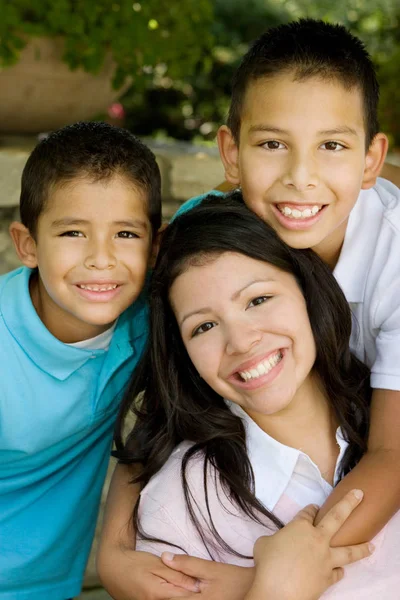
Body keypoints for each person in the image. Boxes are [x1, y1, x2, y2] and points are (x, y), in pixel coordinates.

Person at [98, 19, 400, 599]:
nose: (300, 178)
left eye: (332, 145)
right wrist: (114, 552)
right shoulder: (211, 234)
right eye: (272, 144)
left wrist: (277, 578)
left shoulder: (392, 259)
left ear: (370, 159)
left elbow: (390, 453)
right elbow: (163, 394)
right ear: (231, 153)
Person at [112, 195, 396, 599]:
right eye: (204, 326)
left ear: (308, 290)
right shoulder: (180, 506)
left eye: (258, 300)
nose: (242, 342)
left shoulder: (388, 414)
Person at [0, 121, 162, 600]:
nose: (101, 258)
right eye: (73, 232)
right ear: (27, 244)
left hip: (50, 587)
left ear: (156, 246)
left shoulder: (150, 315)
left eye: (126, 234)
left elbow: (244, 188)